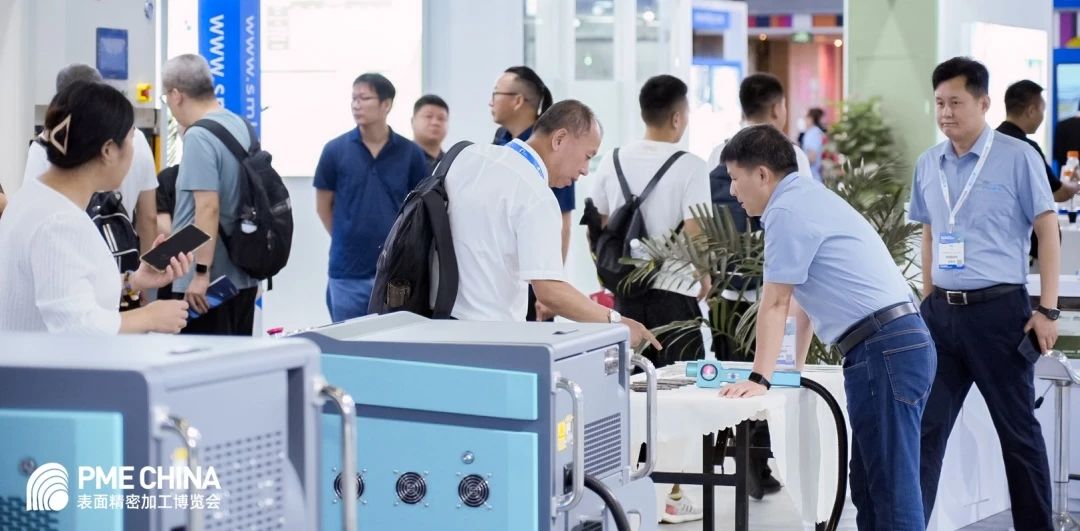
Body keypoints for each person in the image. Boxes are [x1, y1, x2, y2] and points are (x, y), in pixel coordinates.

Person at [718, 124, 934, 529]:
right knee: (870, 487)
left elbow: (775, 302)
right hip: (891, 344)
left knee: (890, 491)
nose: (731, 191)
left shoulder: (785, 210)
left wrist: (760, 377)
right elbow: (800, 303)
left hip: (885, 347)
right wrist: (789, 370)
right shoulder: (806, 198)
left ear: (762, 174)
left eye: (734, 178)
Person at [914, 57, 1059, 530]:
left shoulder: (1018, 157)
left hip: (1000, 315)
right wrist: (928, 297)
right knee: (926, 429)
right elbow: (930, 231)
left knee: (1017, 434)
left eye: (956, 102)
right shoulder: (928, 163)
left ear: (983, 102)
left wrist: (1048, 310)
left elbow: (1047, 229)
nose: (946, 113)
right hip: (941, 317)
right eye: (939, 103)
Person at [588, 73, 711, 524]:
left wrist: (610, 274)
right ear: (677, 117)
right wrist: (704, 275)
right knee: (678, 395)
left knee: (630, 392)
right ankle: (672, 495)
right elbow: (696, 230)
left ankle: (631, 490)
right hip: (673, 297)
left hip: (625, 300)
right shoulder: (690, 165)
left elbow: (596, 224)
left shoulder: (613, 159)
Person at [445, 99, 659, 350]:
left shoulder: (468, 156)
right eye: (587, 156)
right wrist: (617, 322)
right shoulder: (536, 194)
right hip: (490, 338)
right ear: (559, 139)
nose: (585, 170)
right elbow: (550, 292)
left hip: (437, 327)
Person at [0, 81, 190, 334]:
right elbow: (76, 326)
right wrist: (149, 317)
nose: (134, 150)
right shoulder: (58, 222)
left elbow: (65, 289)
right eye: (132, 138)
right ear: (108, 150)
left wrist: (133, 281)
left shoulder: (35, 199)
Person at [315, 73, 429, 322]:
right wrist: (347, 235)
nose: (356, 105)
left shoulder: (410, 154)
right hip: (347, 272)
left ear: (386, 104)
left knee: (395, 340)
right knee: (346, 341)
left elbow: (419, 210)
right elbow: (323, 206)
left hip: (396, 271)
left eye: (364, 98)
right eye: (353, 98)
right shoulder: (334, 150)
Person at [162, 53, 261, 335]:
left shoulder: (199, 135)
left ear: (177, 95)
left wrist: (200, 274)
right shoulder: (240, 125)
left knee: (200, 359)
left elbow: (207, 208)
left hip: (207, 287)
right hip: (241, 275)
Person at [23, 63, 159, 255]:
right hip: (123, 250)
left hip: (70, 250)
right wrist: (146, 264)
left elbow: (33, 209)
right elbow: (149, 216)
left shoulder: (46, 144)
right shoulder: (137, 140)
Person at [490, 66, 575, 321]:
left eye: (496, 94)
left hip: (533, 276)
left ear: (517, 100)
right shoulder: (501, 140)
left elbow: (563, 224)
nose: (490, 102)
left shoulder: (550, 146)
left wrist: (550, 286)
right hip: (499, 274)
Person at [997, 80, 1078, 261]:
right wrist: (1075, 184)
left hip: (997, 243)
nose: (1043, 117)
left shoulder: (988, 143)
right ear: (1031, 110)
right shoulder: (1026, 149)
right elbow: (1058, 193)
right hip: (1023, 246)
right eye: (1042, 110)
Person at [411, 94, 449, 170]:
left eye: (441, 118)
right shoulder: (400, 158)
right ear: (412, 121)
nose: (435, 122)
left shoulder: (452, 163)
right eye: (428, 116)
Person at [801, 107, 827, 182]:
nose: (804, 120)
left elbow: (812, 157)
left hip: (811, 177)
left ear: (811, 119)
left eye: (806, 117)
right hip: (814, 176)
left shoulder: (812, 133)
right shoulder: (816, 132)